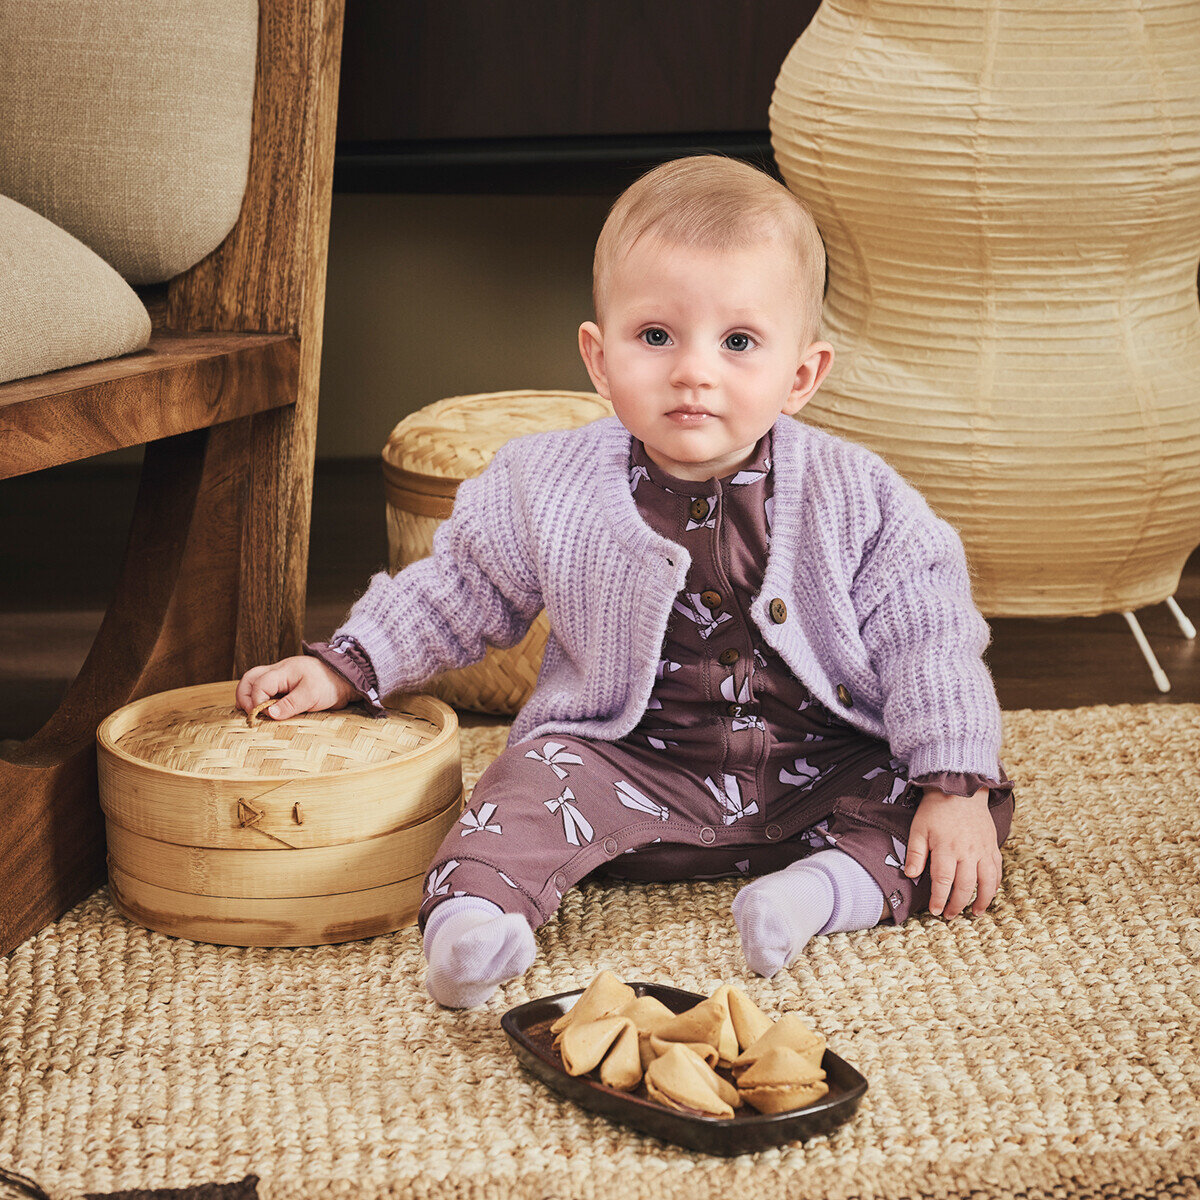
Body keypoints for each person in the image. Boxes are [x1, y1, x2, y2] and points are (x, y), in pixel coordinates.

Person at [237, 155, 1014, 1009]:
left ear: (801, 376)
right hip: (629, 770)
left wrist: (953, 781)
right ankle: (473, 924)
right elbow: (459, 588)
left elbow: (928, 636)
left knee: (962, 809)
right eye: (656, 337)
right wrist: (348, 664)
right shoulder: (544, 483)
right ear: (599, 358)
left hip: (821, 770)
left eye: (739, 342)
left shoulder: (860, 495)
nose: (693, 371)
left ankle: (817, 895)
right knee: (519, 780)